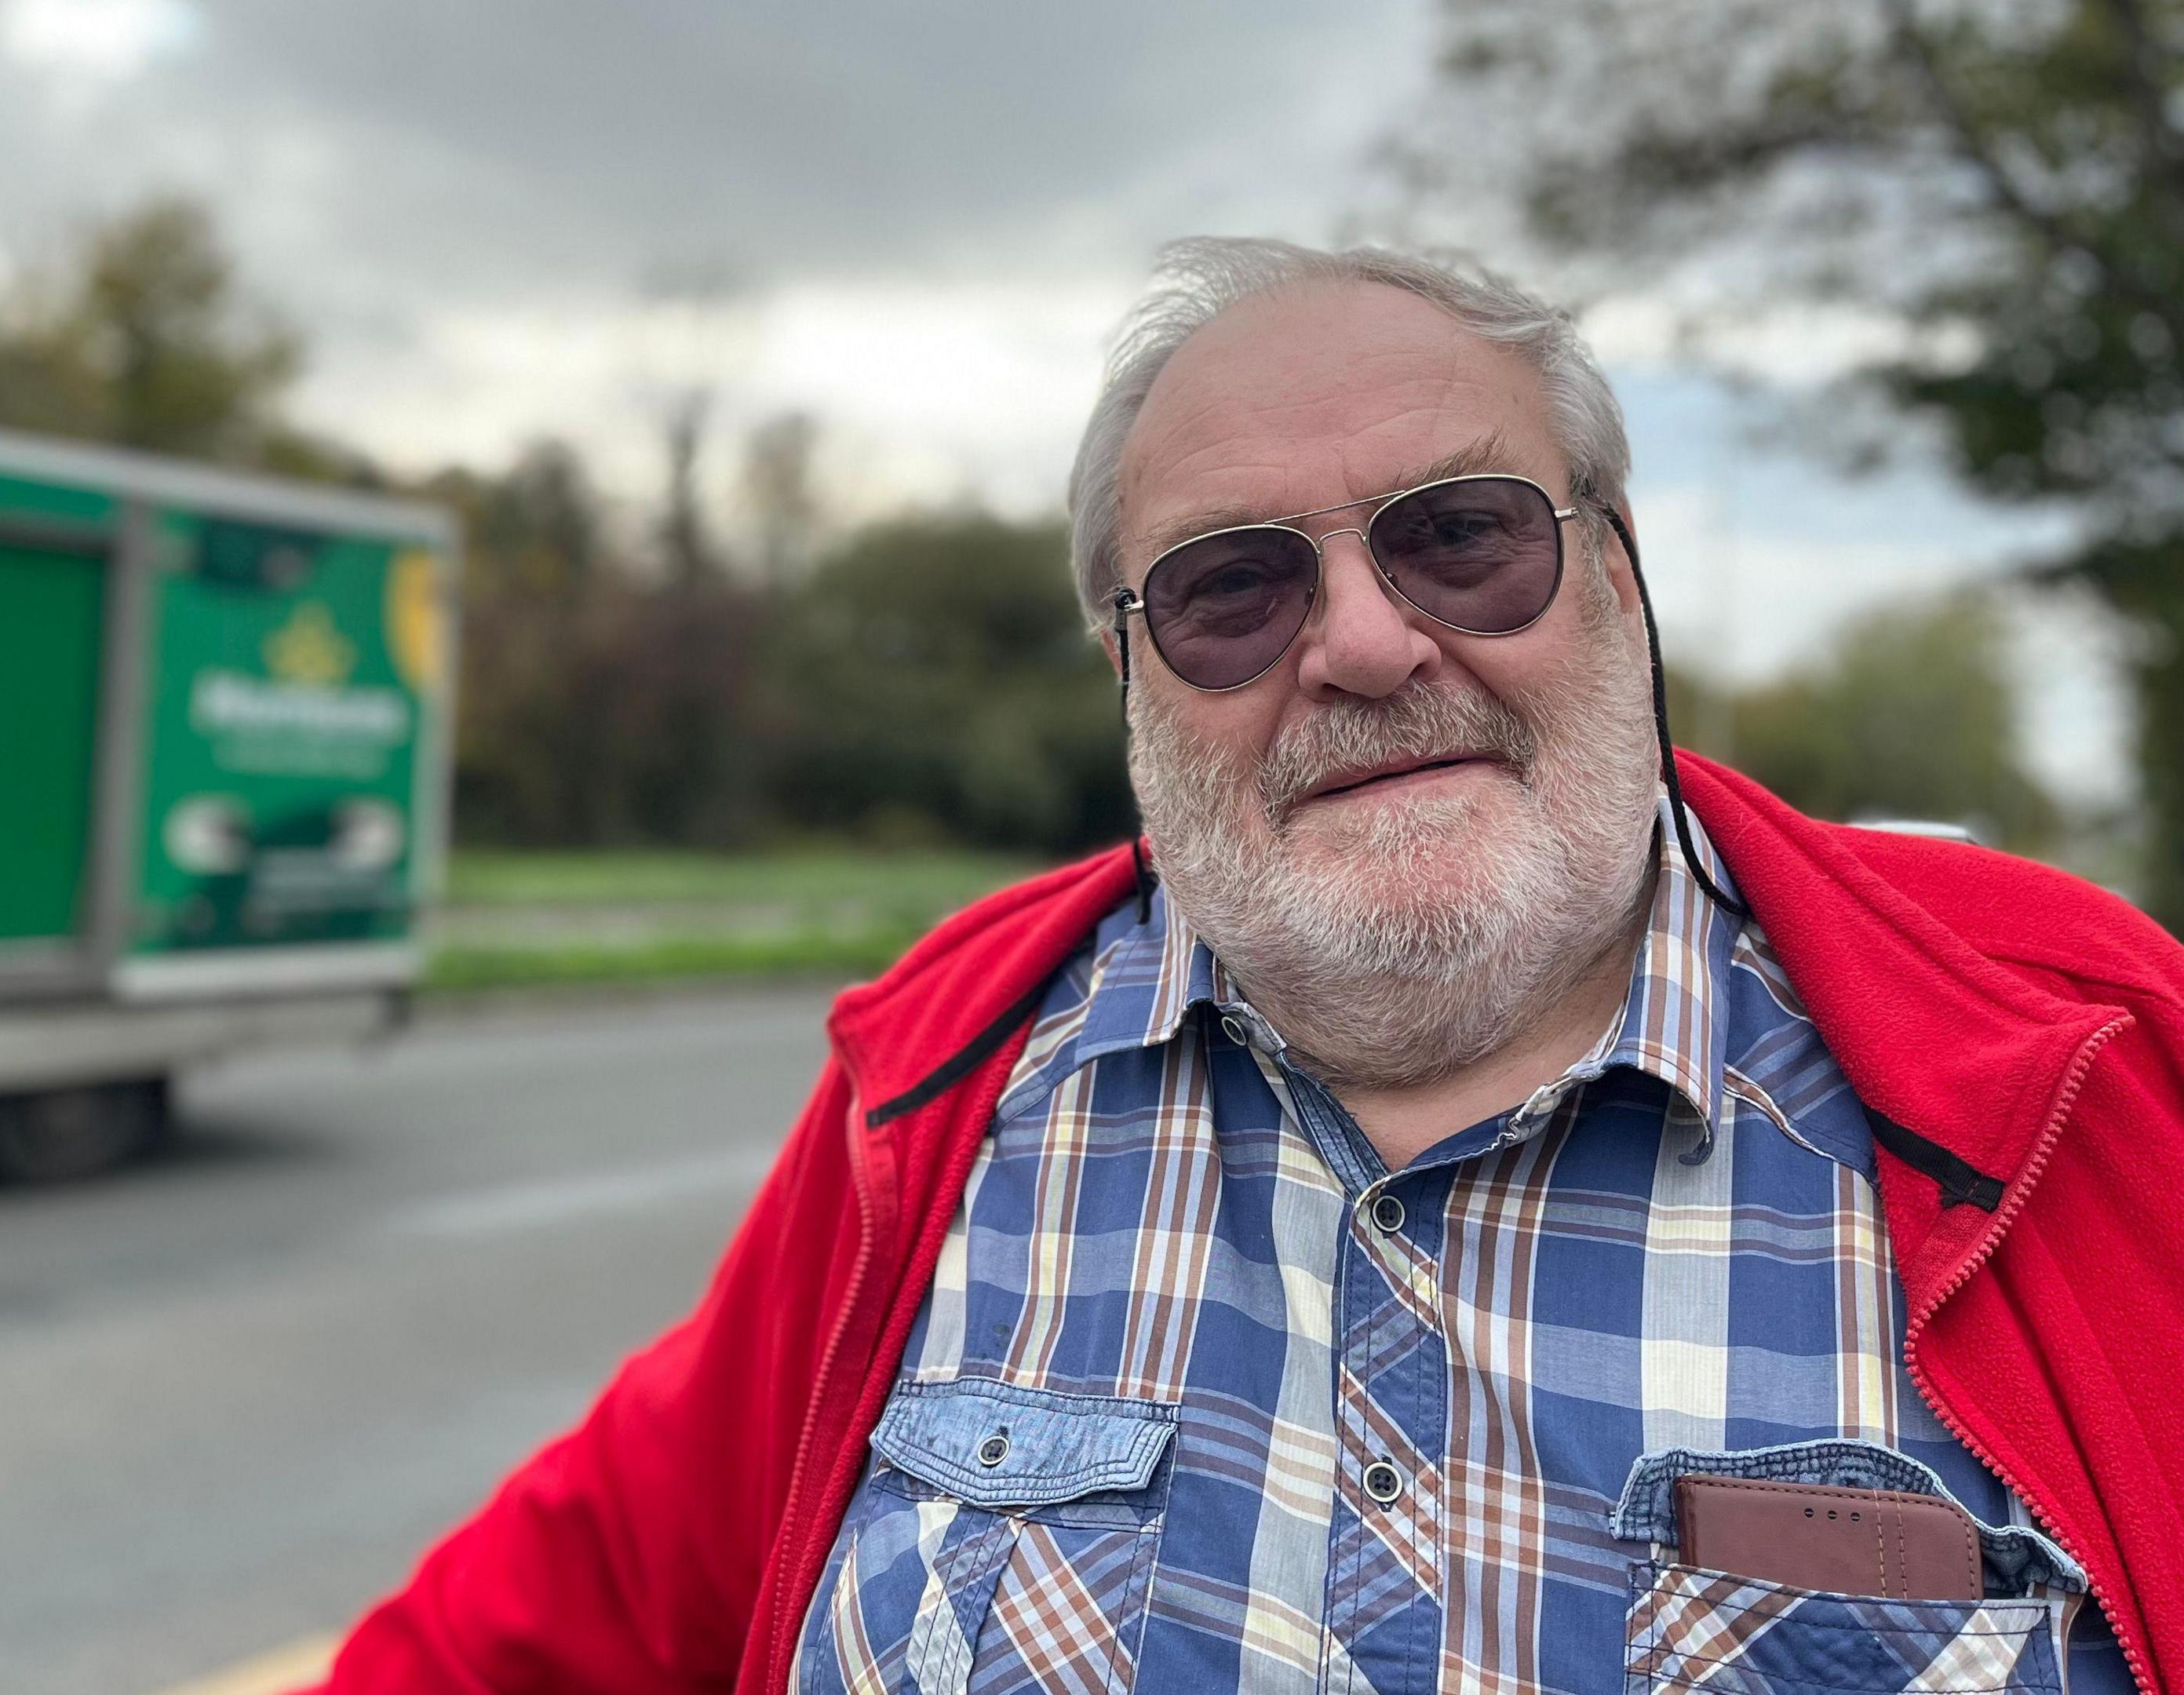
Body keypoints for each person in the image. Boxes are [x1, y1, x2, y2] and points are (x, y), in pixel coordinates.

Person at [310, 239, 2184, 1694]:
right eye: (1235, 588)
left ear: (1617, 576)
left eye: (1463, 540)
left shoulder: (2097, 1077)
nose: (1366, 645)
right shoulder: (943, 1088)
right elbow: (563, 1615)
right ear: (1133, 681)